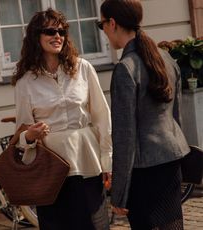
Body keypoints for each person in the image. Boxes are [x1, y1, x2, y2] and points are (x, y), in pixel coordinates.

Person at [12, 7, 112, 230]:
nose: (57, 36)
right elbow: (21, 133)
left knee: (95, 226)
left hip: (86, 161)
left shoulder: (83, 68)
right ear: (36, 37)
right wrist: (30, 135)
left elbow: (102, 116)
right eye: (49, 31)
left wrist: (108, 160)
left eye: (62, 31)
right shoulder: (25, 82)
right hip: (50, 169)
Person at [98, 0, 190, 229]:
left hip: (144, 172)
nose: (104, 32)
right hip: (171, 162)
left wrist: (118, 194)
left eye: (102, 26)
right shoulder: (165, 57)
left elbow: (124, 136)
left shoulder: (125, 69)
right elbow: (175, 117)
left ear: (112, 23)